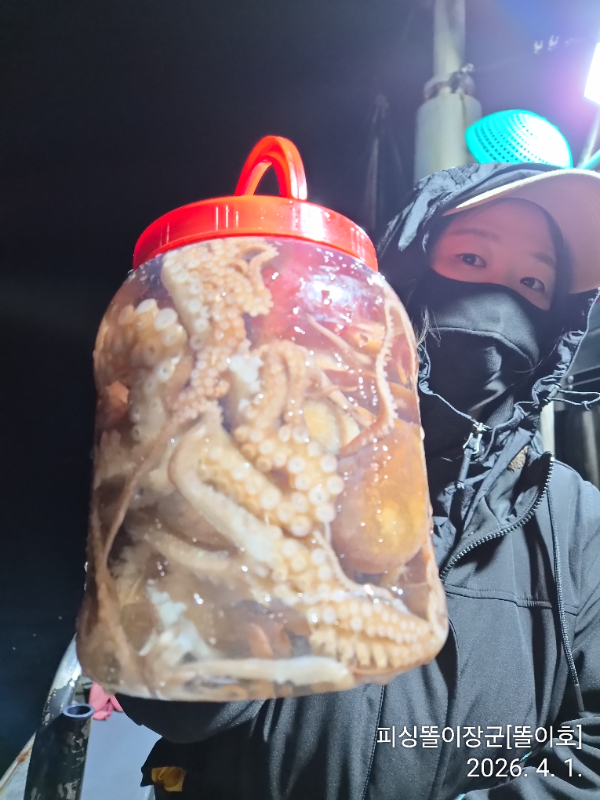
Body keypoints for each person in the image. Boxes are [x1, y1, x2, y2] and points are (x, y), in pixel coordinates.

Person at [119, 162, 600, 799]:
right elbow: (180, 709)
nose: (500, 301)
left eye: (533, 282)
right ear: (404, 278)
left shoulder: (573, 518)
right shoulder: (292, 441)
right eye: (471, 259)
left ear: (557, 323)